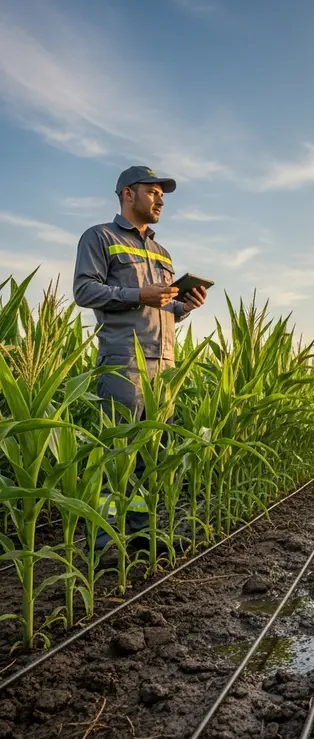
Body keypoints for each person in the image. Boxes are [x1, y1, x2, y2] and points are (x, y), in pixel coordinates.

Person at [73, 165, 208, 550]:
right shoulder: (100, 237)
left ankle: (141, 533)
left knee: (151, 454)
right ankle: (104, 540)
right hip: (124, 362)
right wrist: (138, 295)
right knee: (116, 452)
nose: (160, 199)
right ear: (128, 194)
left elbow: (163, 308)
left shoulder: (162, 253)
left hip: (164, 366)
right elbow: (84, 291)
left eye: (162, 194)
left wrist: (185, 305)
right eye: (153, 192)